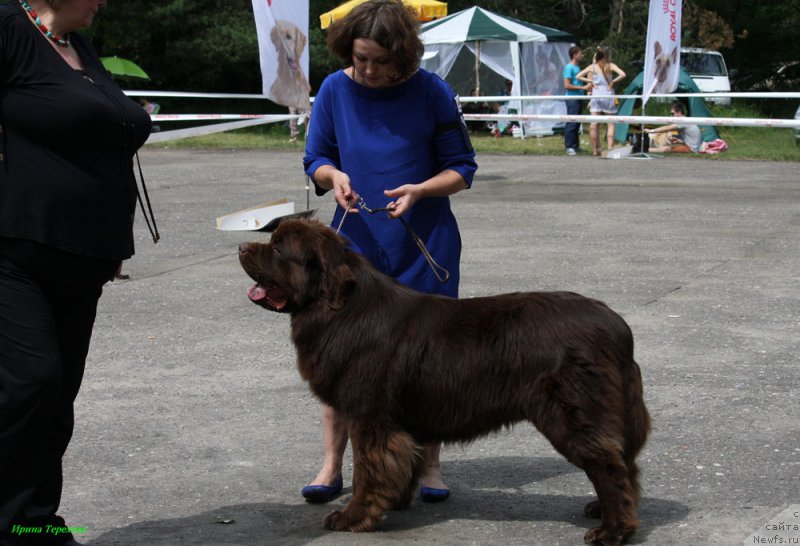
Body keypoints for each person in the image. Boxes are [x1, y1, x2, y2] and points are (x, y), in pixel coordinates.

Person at [302, 0, 477, 505]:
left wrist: (422, 189)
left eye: (382, 61)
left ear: (405, 54)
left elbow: (462, 168)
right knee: (339, 358)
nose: (371, 71)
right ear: (347, 51)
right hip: (353, 248)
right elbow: (315, 157)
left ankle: (430, 467)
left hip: (424, 248)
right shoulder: (336, 89)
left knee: (429, 363)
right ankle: (334, 464)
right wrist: (333, 177)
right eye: (361, 59)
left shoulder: (432, 92)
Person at [0, 1, 152, 545]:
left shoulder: (76, 47)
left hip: (83, 257)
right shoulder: (9, 28)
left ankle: (34, 523)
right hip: (15, 250)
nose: (107, 2)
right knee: (29, 387)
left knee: (55, 400)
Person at [577, 46, 626, 156]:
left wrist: (590, 81)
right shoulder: (610, 65)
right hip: (608, 94)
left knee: (594, 124)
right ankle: (610, 148)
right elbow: (623, 74)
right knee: (611, 124)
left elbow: (578, 76)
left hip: (596, 94)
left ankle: (596, 150)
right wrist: (612, 82)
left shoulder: (592, 67)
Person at [562, 45, 591, 155]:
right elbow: (567, 85)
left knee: (577, 122)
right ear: (575, 55)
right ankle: (569, 146)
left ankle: (575, 145)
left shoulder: (578, 68)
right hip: (572, 98)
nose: (582, 55)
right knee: (571, 122)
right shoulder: (569, 68)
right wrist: (582, 88)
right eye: (580, 54)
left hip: (578, 97)